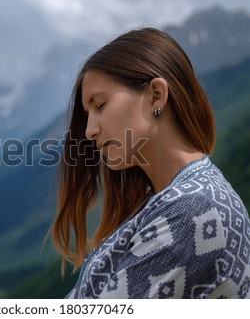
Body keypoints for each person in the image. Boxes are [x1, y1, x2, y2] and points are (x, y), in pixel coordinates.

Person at [52, 27, 250, 298]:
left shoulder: (195, 208)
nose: (89, 131)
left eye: (99, 105)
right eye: (88, 114)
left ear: (156, 94)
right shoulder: (177, 199)